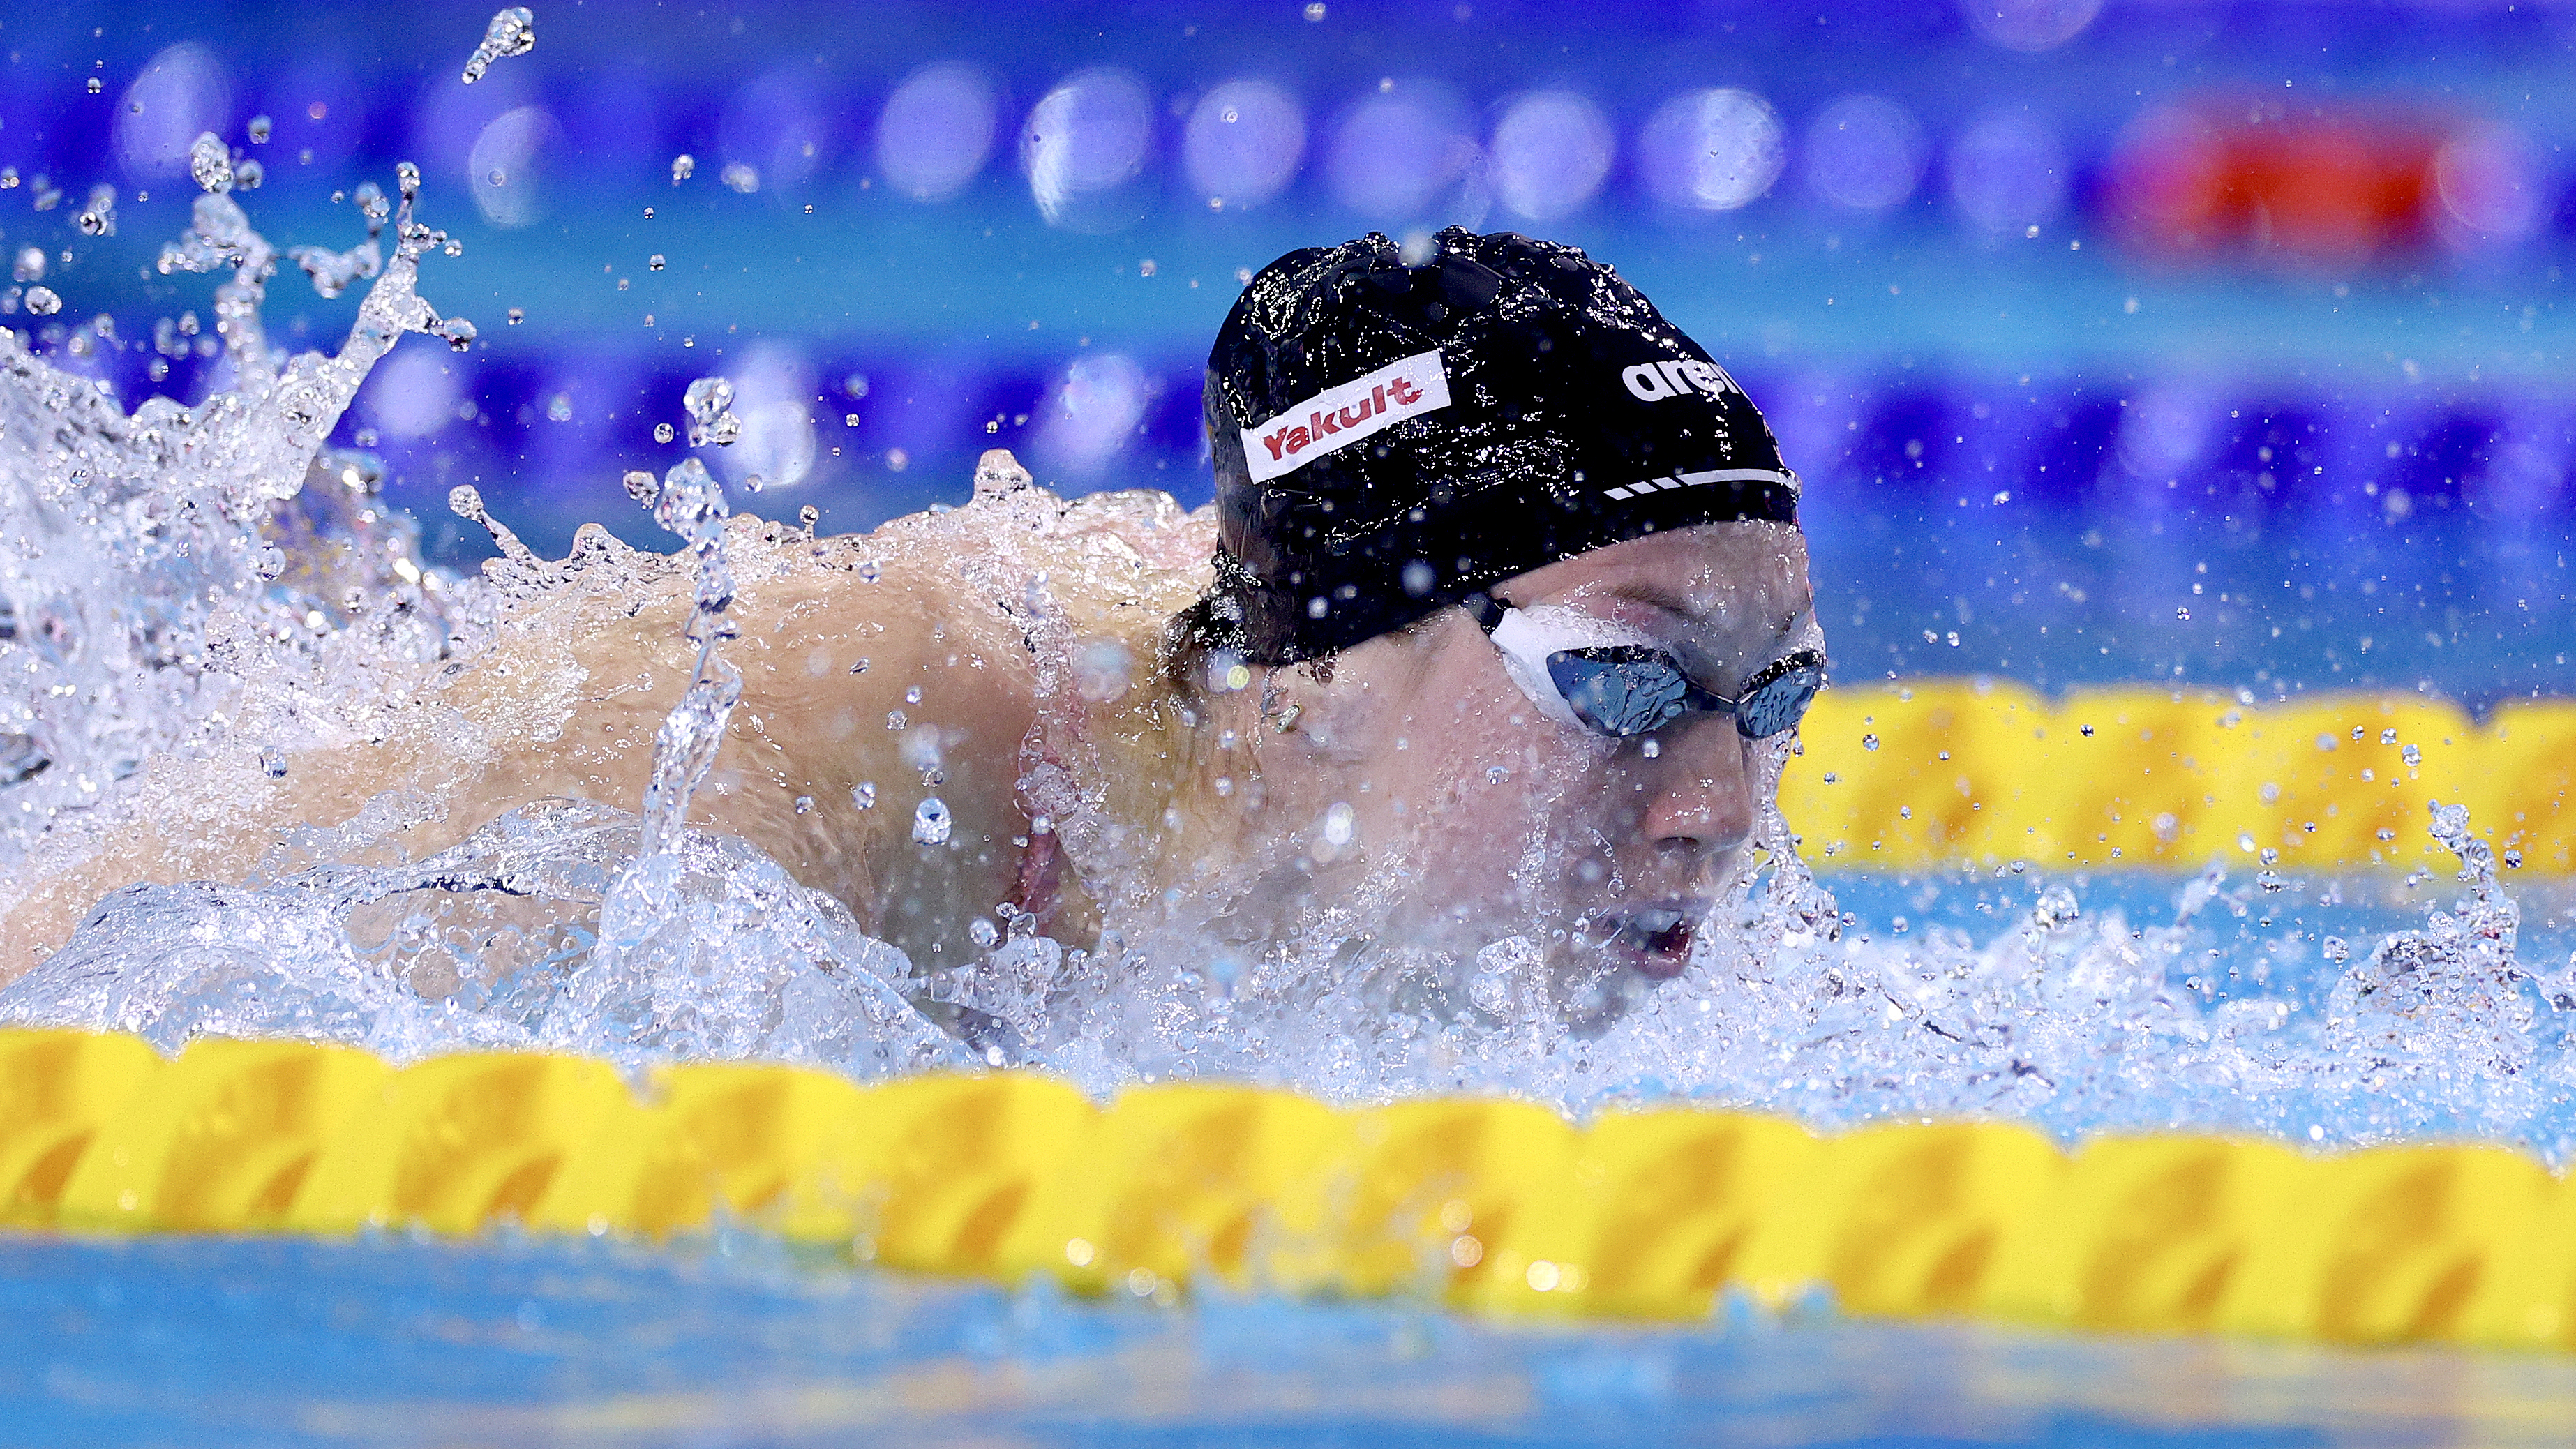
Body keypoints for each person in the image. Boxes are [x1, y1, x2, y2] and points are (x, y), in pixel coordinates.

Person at [0, 227, 1824, 1033]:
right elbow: (86, 950)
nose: (1718, 802)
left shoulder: (1337, 818)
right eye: (1627, 680)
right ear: (1314, 681)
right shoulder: (810, 749)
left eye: (1772, 696)